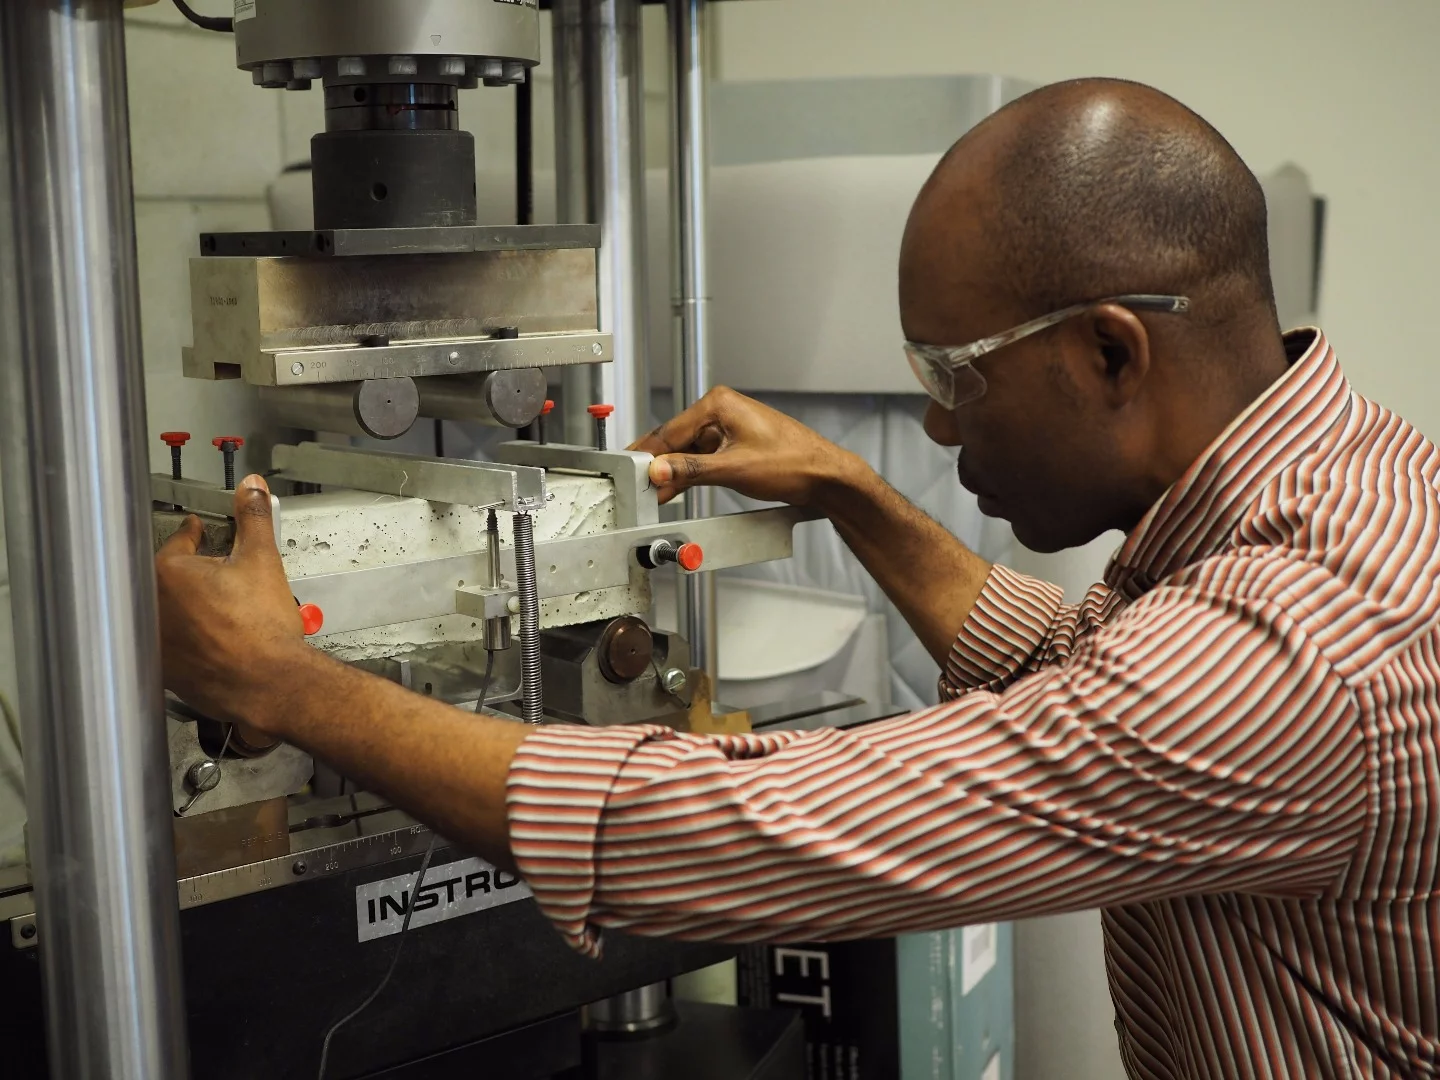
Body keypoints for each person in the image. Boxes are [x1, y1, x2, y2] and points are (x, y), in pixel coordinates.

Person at [156, 78, 1440, 1079]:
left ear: (1113, 354)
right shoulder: (1336, 491)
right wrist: (849, 494)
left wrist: (285, 681)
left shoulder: (1295, 654)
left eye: (954, 378)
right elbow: (1096, 684)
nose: (939, 431)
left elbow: (737, 834)